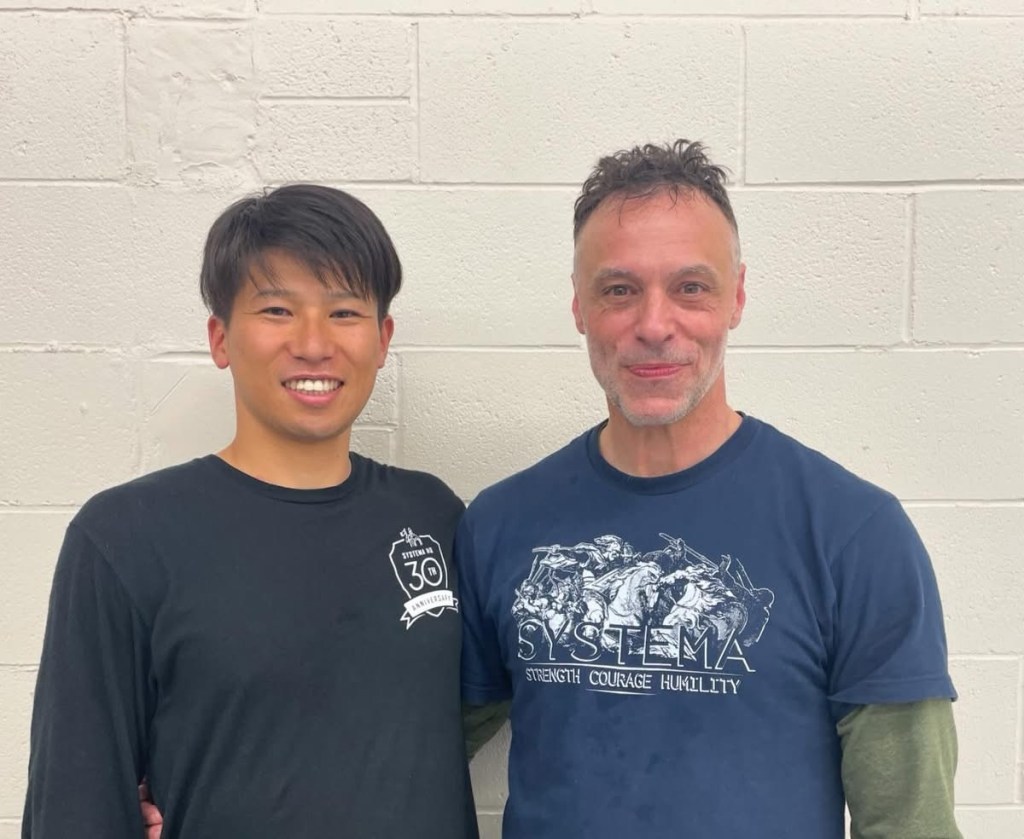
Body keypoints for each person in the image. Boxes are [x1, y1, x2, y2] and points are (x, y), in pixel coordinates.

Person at [457, 140, 962, 838]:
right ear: (579, 305)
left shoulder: (854, 532)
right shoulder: (501, 524)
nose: (654, 325)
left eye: (690, 287)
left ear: (737, 298)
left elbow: (910, 822)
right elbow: (403, 757)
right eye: (619, 290)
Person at [23, 185, 478, 838]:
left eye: (344, 312)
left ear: (382, 339)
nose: (314, 343)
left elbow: (492, 698)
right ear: (221, 338)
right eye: (276, 310)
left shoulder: (432, 516)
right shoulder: (127, 537)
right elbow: (75, 796)